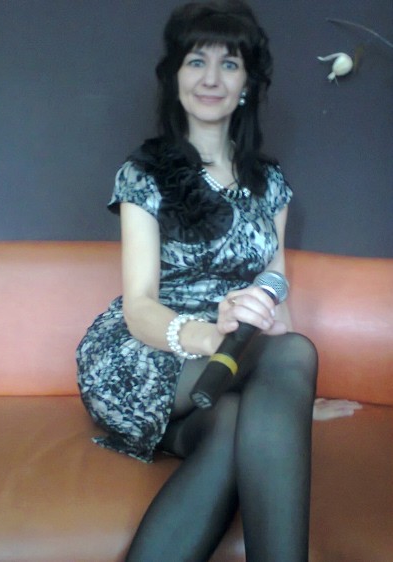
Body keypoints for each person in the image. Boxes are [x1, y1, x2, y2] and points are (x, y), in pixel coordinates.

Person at [76, 1, 358, 560]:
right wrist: (213, 340)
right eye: (196, 61)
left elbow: (274, 284)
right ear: (175, 76)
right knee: (292, 353)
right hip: (147, 353)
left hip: (229, 366)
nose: (211, 78)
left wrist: (289, 396)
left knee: (237, 421)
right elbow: (139, 305)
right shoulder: (144, 174)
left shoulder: (270, 182)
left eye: (229, 64)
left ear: (246, 83)